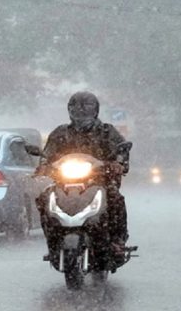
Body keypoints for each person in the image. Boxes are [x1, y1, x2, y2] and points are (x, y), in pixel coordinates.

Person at [34, 91, 130, 257]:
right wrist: (43, 165)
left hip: (100, 180)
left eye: (86, 107)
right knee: (44, 198)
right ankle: (52, 239)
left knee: (115, 198)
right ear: (69, 110)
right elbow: (48, 153)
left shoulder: (106, 131)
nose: (81, 111)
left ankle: (117, 240)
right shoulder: (60, 133)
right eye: (76, 107)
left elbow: (121, 150)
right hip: (64, 182)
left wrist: (118, 163)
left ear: (95, 110)